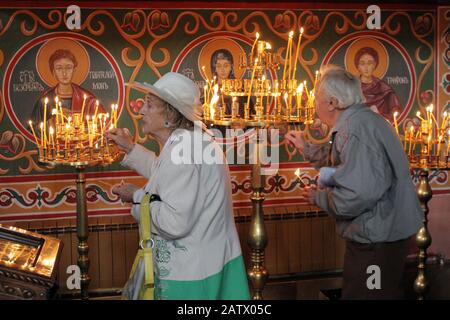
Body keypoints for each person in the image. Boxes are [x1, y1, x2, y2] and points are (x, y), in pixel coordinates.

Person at [106, 72, 250, 300]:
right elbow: (168, 176)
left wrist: (136, 198)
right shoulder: (191, 141)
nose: (141, 111)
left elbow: (174, 223)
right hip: (212, 261)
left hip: (192, 275)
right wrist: (130, 149)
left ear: (169, 116)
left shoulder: (181, 152)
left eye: (149, 106)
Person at [285, 65, 422, 299]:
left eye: (317, 97)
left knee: (369, 295)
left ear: (332, 102)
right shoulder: (363, 121)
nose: (314, 103)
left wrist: (319, 197)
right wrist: (306, 147)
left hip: (376, 241)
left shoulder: (355, 131)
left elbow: (357, 195)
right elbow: (351, 168)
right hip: (383, 234)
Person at [32, 49, 103, 127]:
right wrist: (52, 122)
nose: (64, 73)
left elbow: (102, 125)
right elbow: (33, 130)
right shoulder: (45, 101)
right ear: (53, 72)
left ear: (74, 70)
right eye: (59, 68)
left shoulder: (88, 100)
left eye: (68, 68)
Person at [355, 47, 402, 122]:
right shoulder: (352, 87)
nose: (366, 67)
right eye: (362, 63)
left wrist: (380, 117)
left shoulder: (384, 88)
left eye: (370, 63)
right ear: (358, 67)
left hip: (380, 127)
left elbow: (395, 109)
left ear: (375, 65)